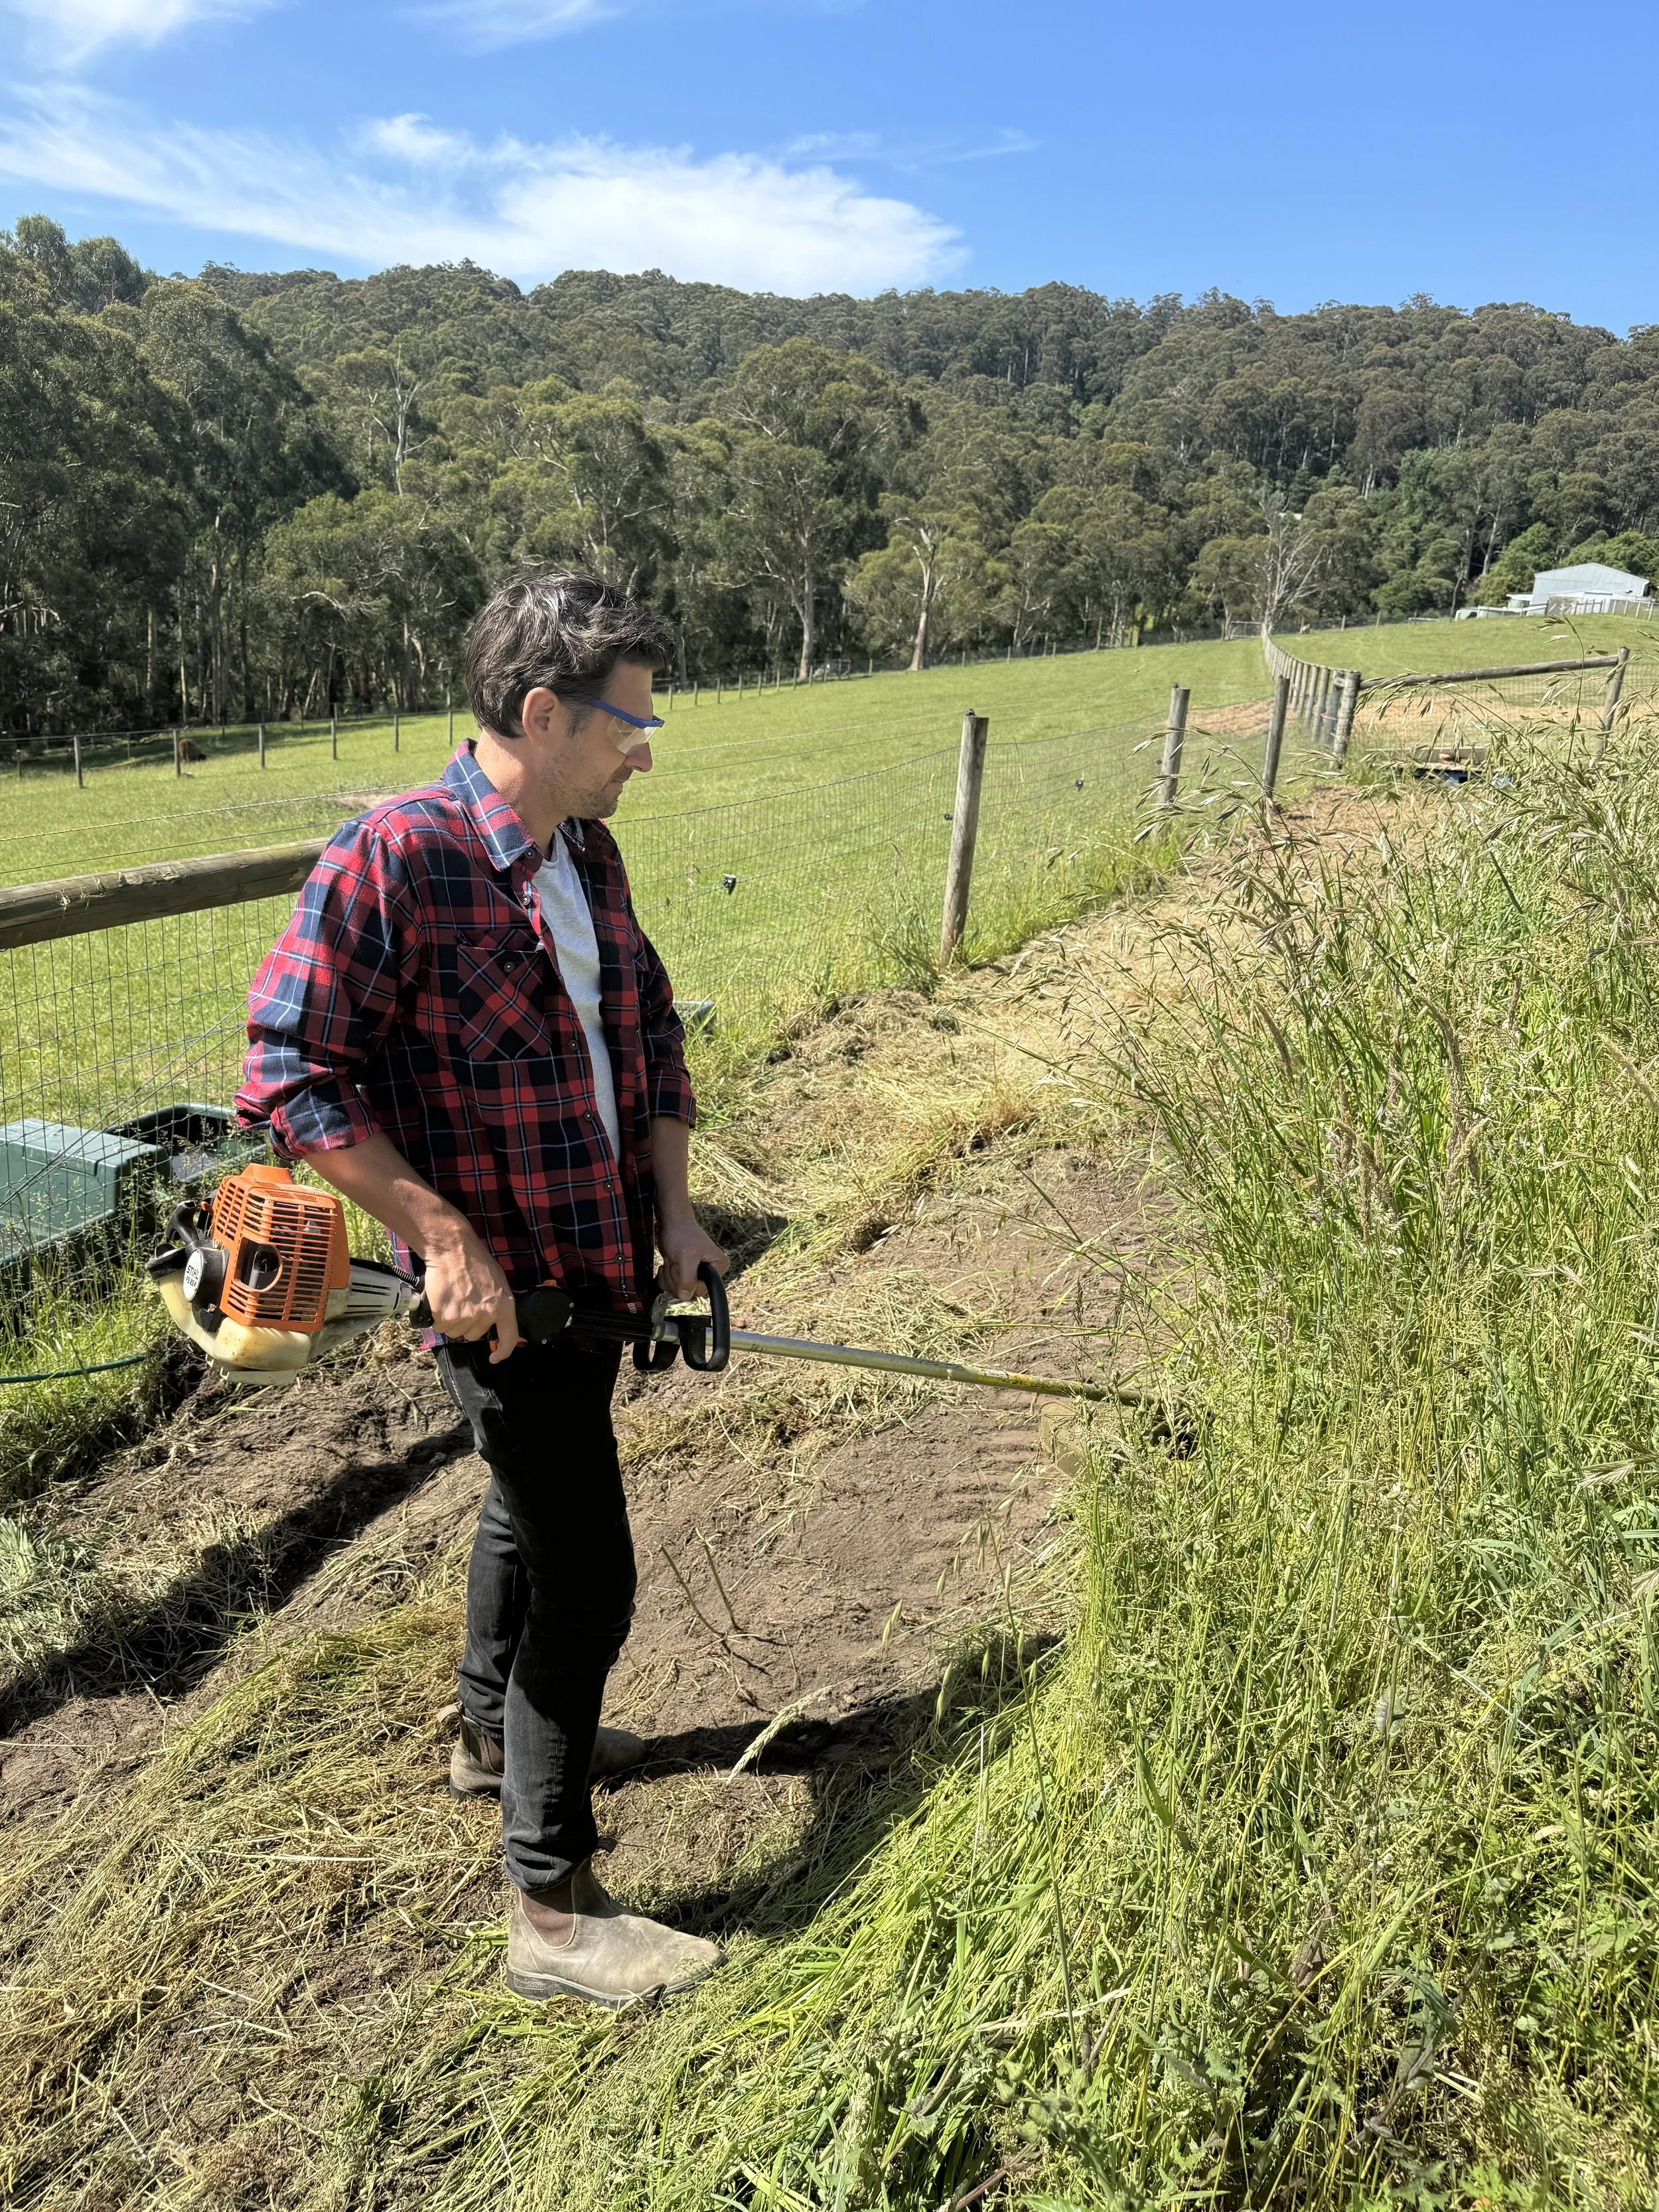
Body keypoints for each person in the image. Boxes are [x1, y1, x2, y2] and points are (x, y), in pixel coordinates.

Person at [235, 574, 729, 2008]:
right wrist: (439, 1235)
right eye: (630, 718)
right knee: (593, 1571)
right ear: (539, 712)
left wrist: (677, 1213)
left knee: (529, 1504)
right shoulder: (396, 859)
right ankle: (554, 1908)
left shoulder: (587, 855)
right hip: (499, 1299)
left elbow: (646, 1029)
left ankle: (478, 1736)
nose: (647, 744)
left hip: (598, 1270)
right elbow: (287, 1070)